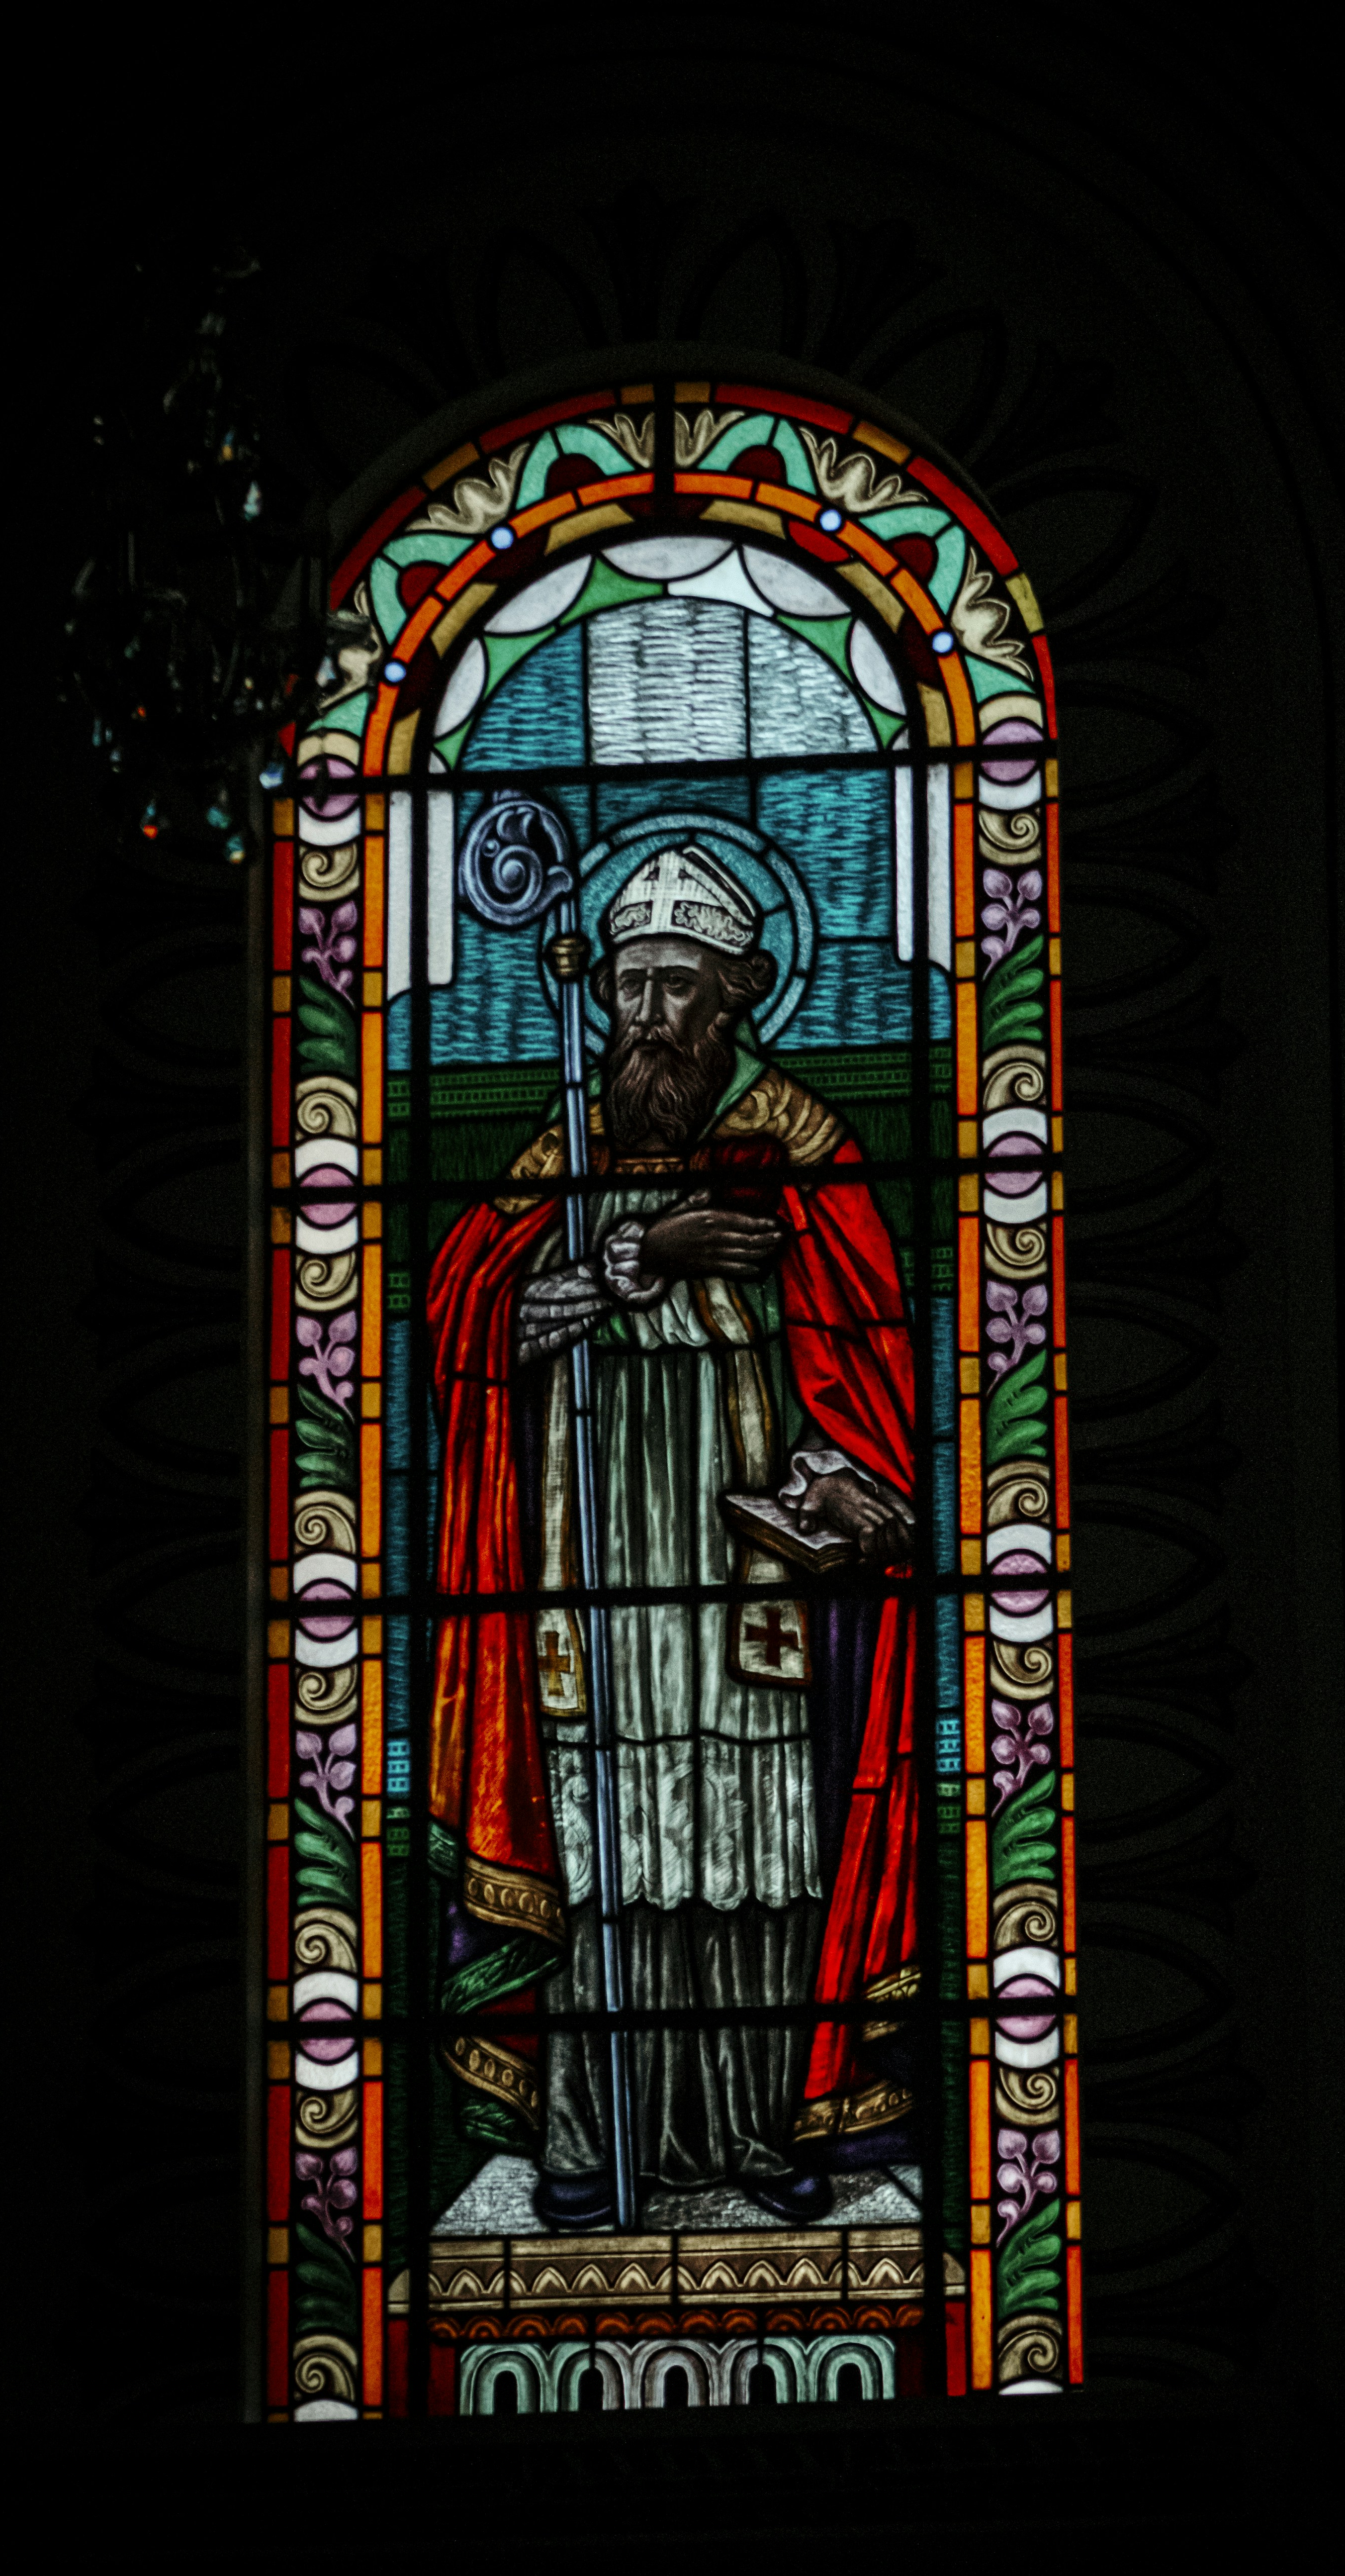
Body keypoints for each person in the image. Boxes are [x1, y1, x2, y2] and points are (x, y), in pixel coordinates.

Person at [426, 842, 921, 2227]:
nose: (645, 1015)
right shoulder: (566, 1151)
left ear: (744, 991)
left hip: (740, 1580)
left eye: (677, 987)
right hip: (594, 1577)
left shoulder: (800, 1142)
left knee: (752, 1853)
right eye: (630, 985)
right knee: (609, 1855)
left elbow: (865, 1357)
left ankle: (759, 2137)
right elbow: (474, 1325)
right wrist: (638, 1259)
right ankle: (595, 2141)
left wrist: (841, 1476)